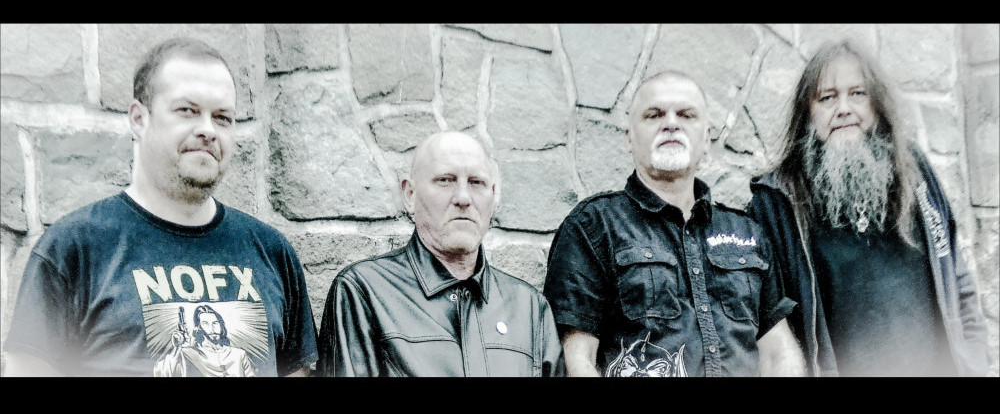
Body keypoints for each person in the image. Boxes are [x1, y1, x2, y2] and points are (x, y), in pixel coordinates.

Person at [3, 37, 318, 377]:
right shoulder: (73, 249)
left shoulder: (272, 252)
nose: (208, 130)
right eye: (188, 111)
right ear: (139, 119)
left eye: (223, 117)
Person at [748, 40, 990, 377]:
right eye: (827, 97)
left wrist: (974, 364)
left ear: (877, 104)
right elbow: (771, 328)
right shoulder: (777, 202)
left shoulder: (915, 173)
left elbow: (958, 283)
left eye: (858, 93)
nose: (843, 109)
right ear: (807, 112)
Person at [544, 71, 804, 377]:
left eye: (686, 115)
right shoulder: (593, 226)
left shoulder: (747, 233)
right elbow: (576, 359)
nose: (671, 123)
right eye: (654, 115)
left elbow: (779, 353)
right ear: (629, 138)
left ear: (706, 138)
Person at [316, 131, 564, 377]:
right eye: (445, 180)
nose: (463, 198)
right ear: (410, 195)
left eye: (476, 182)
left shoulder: (528, 308)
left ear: (493, 196)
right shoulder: (364, 291)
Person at [154, 305, 256, 377]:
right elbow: (161, 373)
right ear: (198, 328)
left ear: (221, 325)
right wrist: (177, 348)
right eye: (205, 323)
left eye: (215, 323)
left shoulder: (239, 354)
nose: (212, 328)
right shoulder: (189, 354)